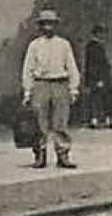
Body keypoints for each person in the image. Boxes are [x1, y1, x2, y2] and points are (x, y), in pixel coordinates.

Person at [22, 9, 81, 169]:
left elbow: (71, 67)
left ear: (56, 26)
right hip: (40, 84)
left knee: (60, 122)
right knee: (39, 122)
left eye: (51, 24)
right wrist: (28, 91)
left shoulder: (63, 44)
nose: (48, 27)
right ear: (40, 26)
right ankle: (40, 155)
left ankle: (63, 155)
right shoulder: (34, 45)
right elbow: (28, 68)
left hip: (60, 83)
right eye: (44, 24)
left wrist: (73, 88)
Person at [83, 24, 112, 128]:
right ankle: (95, 120)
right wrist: (98, 79)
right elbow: (93, 64)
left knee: (102, 98)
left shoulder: (98, 46)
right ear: (97, 34)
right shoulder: (93, 46)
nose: (103, 36)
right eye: (101, 33)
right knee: (97, 98)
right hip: (97, 77)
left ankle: (102, 119)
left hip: (100, 77)